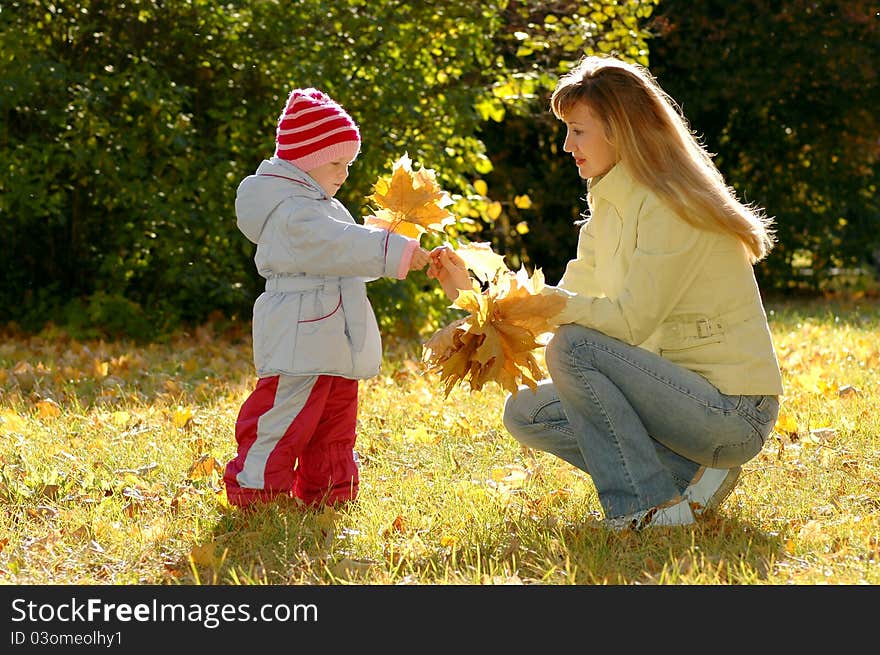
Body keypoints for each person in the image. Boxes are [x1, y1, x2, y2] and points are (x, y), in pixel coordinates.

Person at [428, 55, 783, 531]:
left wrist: (550, 311)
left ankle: (648, 507)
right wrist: (475, 297)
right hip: (676, 400)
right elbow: (562, 307)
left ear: (620, 129)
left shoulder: (670, 205)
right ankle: (691, 475)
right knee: (527, 412)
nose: (565, 144)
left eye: (577, 130)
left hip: (731, 411)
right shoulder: (608, 204)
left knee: (575, 347)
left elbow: (626, 322)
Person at [224, 88, 430, 510]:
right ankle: (256, 490)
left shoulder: (317, 206)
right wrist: (395, 249)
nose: (345, 173)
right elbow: (340, 245)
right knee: (283, 416)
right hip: (301, 334)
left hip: (328, 331)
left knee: (334, 418)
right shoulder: (292, 212)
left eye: (349, 164)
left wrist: (391, 246)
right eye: (337, 162)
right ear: (305, 157)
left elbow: (347, 254)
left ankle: (331, 490)